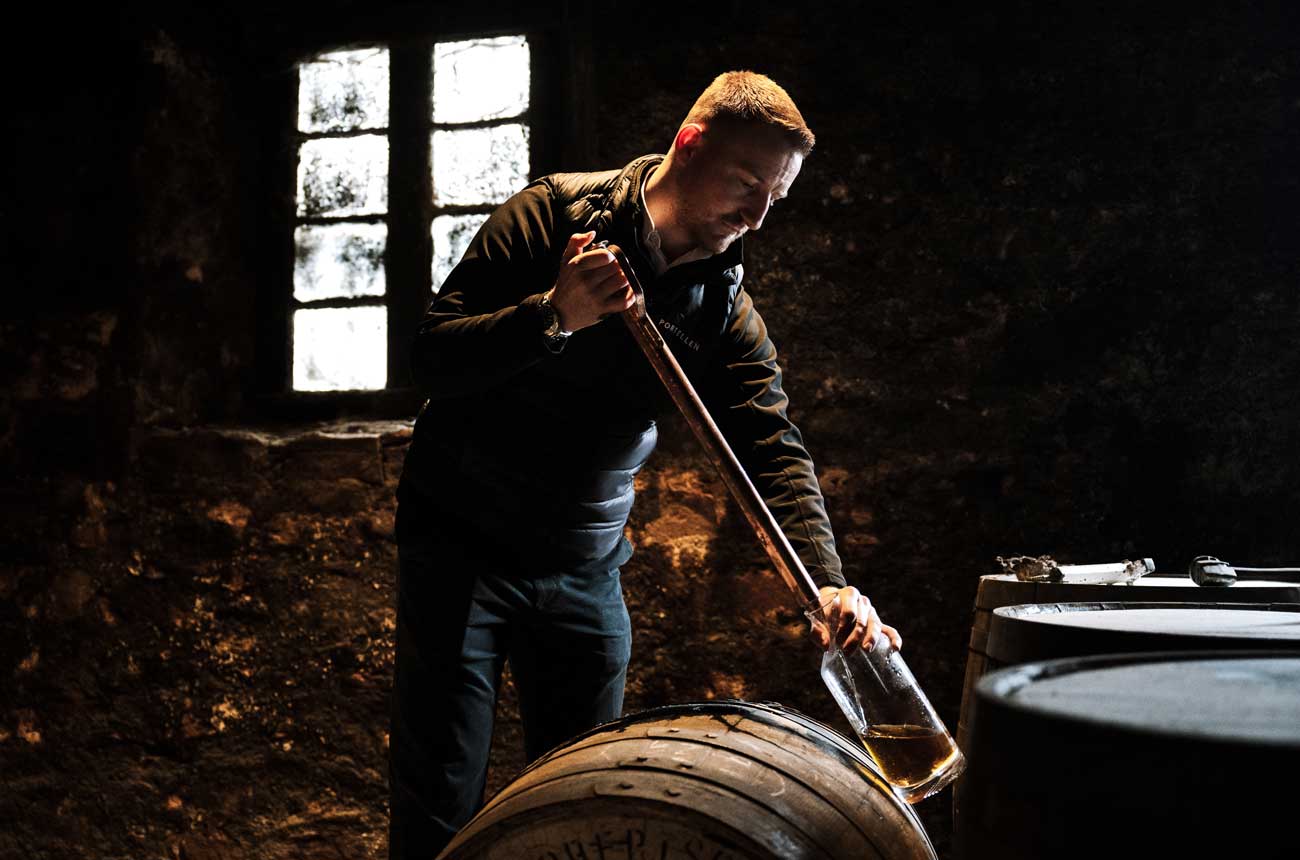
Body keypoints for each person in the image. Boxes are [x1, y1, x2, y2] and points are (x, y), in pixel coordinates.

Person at [388, 70, 901, 858]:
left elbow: (770, 444)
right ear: (689, 146)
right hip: (464, 551)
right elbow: (429, 358)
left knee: (589, 800)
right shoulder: (551, 214)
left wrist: (827, 580)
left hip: (585, 565)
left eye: (777, 199)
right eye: (746, 184)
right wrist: (553, 316)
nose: (758, 216)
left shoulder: (722, 300)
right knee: (440, 798)